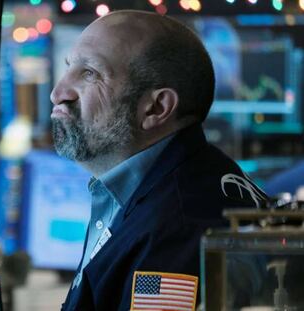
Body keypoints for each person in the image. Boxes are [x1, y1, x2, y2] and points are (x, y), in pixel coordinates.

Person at [50, 10, 267, 311]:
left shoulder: (179, 228)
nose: (57, 93)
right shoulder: (154, 187)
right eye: (69, 67)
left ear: (156, 108)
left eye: (90, 74)